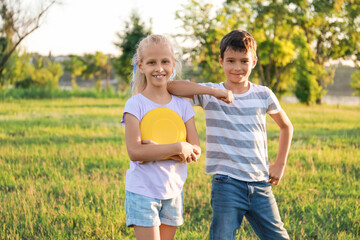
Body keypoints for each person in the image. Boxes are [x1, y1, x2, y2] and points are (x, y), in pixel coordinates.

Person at [167, 29, 293, 240]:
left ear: (253, 62)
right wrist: (214, 92)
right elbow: (172, 87)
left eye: (244, 61)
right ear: (221, 61)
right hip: (227, 184)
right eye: (231, 60)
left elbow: (286, 126)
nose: (237, 67)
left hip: (260, 184)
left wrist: (279, 164)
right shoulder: (210, 93)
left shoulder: (264, 94)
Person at [121, 34, 202, 240]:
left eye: (165, 61)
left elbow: (194, 151)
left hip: (173, 191)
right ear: (141, 66)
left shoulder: (183, 105)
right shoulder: (135, 105)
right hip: (142, 191)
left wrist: (154, 151)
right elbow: (135, 152)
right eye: (151, 62)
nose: (159, 68)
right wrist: (177, 148)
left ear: (173, 65)